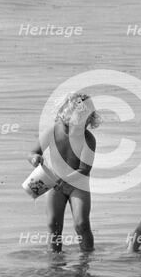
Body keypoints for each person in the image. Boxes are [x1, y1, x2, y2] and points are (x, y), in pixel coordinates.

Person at [28, 93, 101, 252]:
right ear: (62, 116)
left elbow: (84, 169)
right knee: (53, 225)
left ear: (88, 121)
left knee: (81, 224)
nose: (72, 130)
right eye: (68, 124)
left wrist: (67, 180)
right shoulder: (53, 132)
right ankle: (55, 259)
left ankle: (87, 257)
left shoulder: (88, 139)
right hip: (54, 185)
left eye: (79, 125)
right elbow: (33, 152)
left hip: (78, 185)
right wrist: (35, 159)